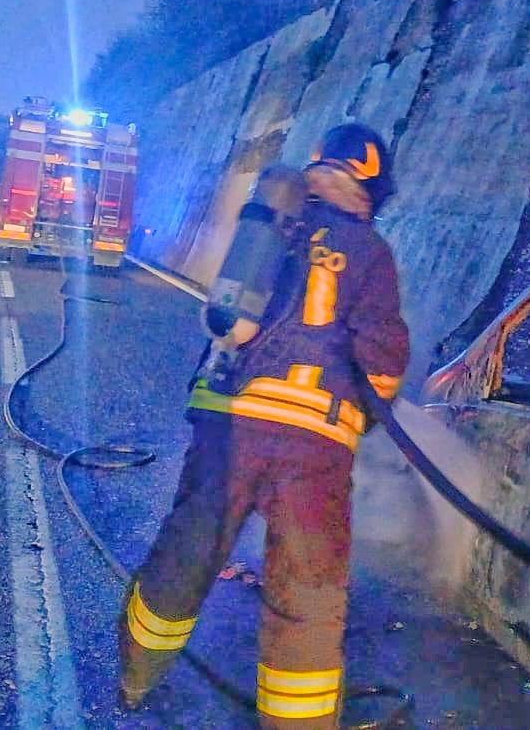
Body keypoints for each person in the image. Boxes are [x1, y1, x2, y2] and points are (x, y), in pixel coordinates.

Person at [119, 122, 410, 728]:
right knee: (307, 591)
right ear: (373, 187)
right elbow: (382, 359)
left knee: (188, 553)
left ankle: (134, 679)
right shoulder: (369, 250)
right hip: (312, 444)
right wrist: (368, 414)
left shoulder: (276, 224)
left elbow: (229, 319)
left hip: (227, 423)